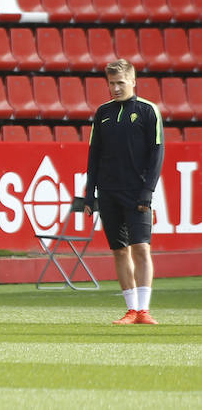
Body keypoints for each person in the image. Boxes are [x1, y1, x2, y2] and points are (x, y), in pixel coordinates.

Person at [83, 59, 164, 325]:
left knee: (141, 248)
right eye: (111, 83)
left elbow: (156, 154)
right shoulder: (102, 112)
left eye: (120, 83)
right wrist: (90, 194)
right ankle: (131, 310)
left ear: (132, 81)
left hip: (137, 191)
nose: (115, 88)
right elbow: (94, 155)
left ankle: (144, 310)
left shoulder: (148, 111)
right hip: (108, 192)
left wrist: (147, 192)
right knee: (119, 250)